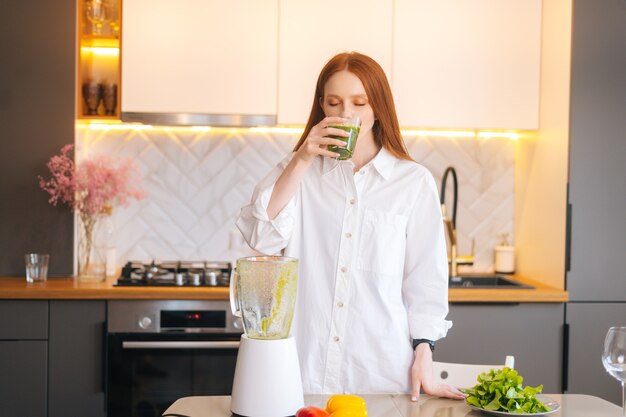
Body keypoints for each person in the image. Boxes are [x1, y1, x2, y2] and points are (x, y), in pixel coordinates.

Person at [236, 52, 465, 400]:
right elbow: (261, 236)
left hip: (380, 372)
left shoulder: (413, 182)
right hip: (304, 372)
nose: (346, 115)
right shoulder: (300, 170)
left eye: (359, 102)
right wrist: (302, 157)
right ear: (321, 107)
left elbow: (425, 282)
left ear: (379, 107)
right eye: (334, 102)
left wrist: (424, 354)